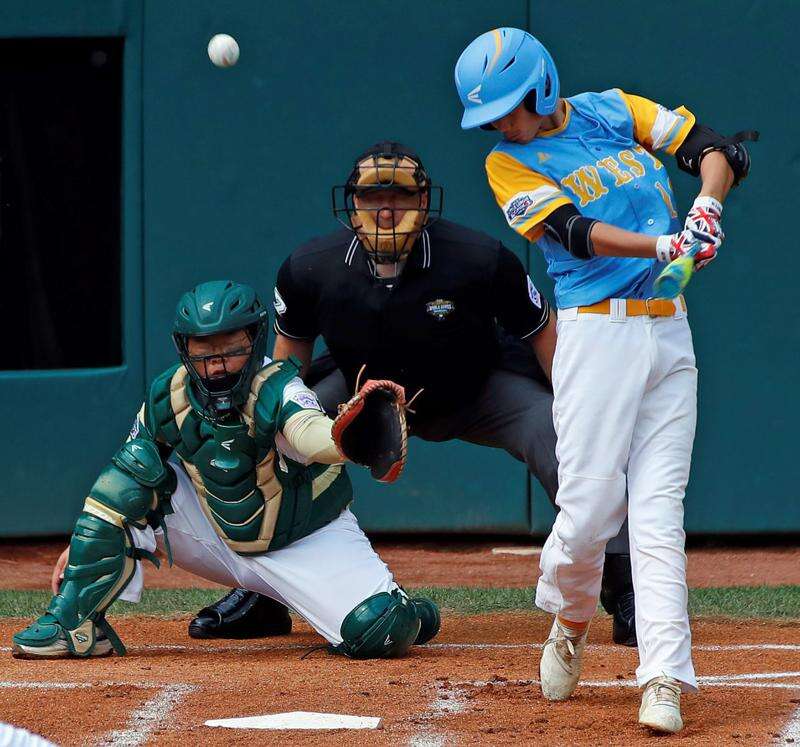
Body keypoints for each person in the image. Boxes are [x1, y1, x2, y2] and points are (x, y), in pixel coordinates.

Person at [191, 140, 639, 647]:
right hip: (361, 389)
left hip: (475, 387)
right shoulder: (311, 267)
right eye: (372, 197)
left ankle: (625, 586)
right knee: (278, 434)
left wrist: (582, 414)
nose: (386, 209)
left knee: (563, 434)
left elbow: (543, 335)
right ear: (352, 204)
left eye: (401, 196)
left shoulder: (480, 258)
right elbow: (287, 366)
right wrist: (283, 424)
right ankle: (266, 595)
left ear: (425, 203)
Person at [455, 27, 755, 733]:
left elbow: (712, 150)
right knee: (589, 509)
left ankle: (662, 679)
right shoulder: (508, 164)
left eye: (510, 106)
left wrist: (706, 205)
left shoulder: (610, 109)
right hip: (597, 332)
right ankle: (568, 614)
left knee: (657, 513)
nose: (503, 123)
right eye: (491, 113)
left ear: (543, 85)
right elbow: (575, 233)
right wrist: (664, 243)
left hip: (667, 330)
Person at [12, 280, 439, 661]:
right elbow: (128, 471)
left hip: (303, 540)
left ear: (253, 342)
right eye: (204, 352)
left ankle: (411, 611)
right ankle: (74, 624)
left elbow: (312, 434)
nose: (216, 365)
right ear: (185, 348)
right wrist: (88, 543)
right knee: (130, 477)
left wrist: (346, 440)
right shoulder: (170, 394)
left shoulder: (279, 386)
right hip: (215, 535)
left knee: (380, 630)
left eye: (231, 350)